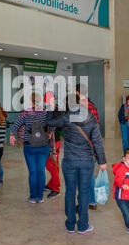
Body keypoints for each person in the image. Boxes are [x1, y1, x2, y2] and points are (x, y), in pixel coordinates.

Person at [46, 93, 107, 234]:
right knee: (84, 193)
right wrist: (102, 161)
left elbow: (48, 122)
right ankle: (83, 226)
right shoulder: (90, 117)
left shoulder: (66, 117)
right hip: (86, 161)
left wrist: (50, 107)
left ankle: (70, 224)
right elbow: (97, 141)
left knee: (70, 192)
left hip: (69, 161)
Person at [10, 93, 50, 204]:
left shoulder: (25, 112)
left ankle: (33, 197)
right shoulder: (45, 112)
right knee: (41, 171)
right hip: (43, 145)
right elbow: (52, 125)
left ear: (31, 101)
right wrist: (50, 133)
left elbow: (16, 125)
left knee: (33, 172)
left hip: (30, 145)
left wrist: (11, 135)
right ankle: (40, 197)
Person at [76, 83, 100, 210]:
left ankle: (84, 202)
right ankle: (91, 201)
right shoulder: (92, 106)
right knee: (89, 174)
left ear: (77, 93)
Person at [44, 92, 64, 199]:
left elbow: (51, 123)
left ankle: (56, 188)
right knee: (54, 163)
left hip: (51, 141)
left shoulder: (51, 108)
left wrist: (50, 132)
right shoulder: (58, 108)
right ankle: (51, 184)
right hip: (57, 140)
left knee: (50, 164)